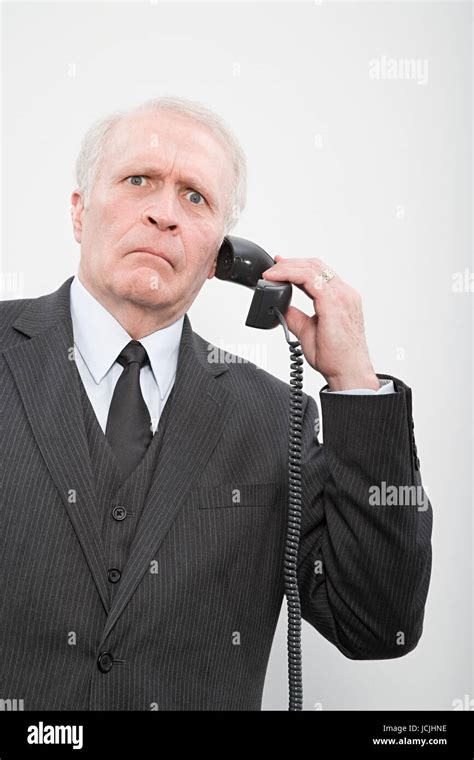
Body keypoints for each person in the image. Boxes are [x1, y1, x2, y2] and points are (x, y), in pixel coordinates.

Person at [0, 96, 432, 711]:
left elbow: (377, 623)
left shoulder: (274, 418)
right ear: (79, 211)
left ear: (221, 257)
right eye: (138, 180)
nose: (164, 214)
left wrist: (355, 382)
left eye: (195, 197)